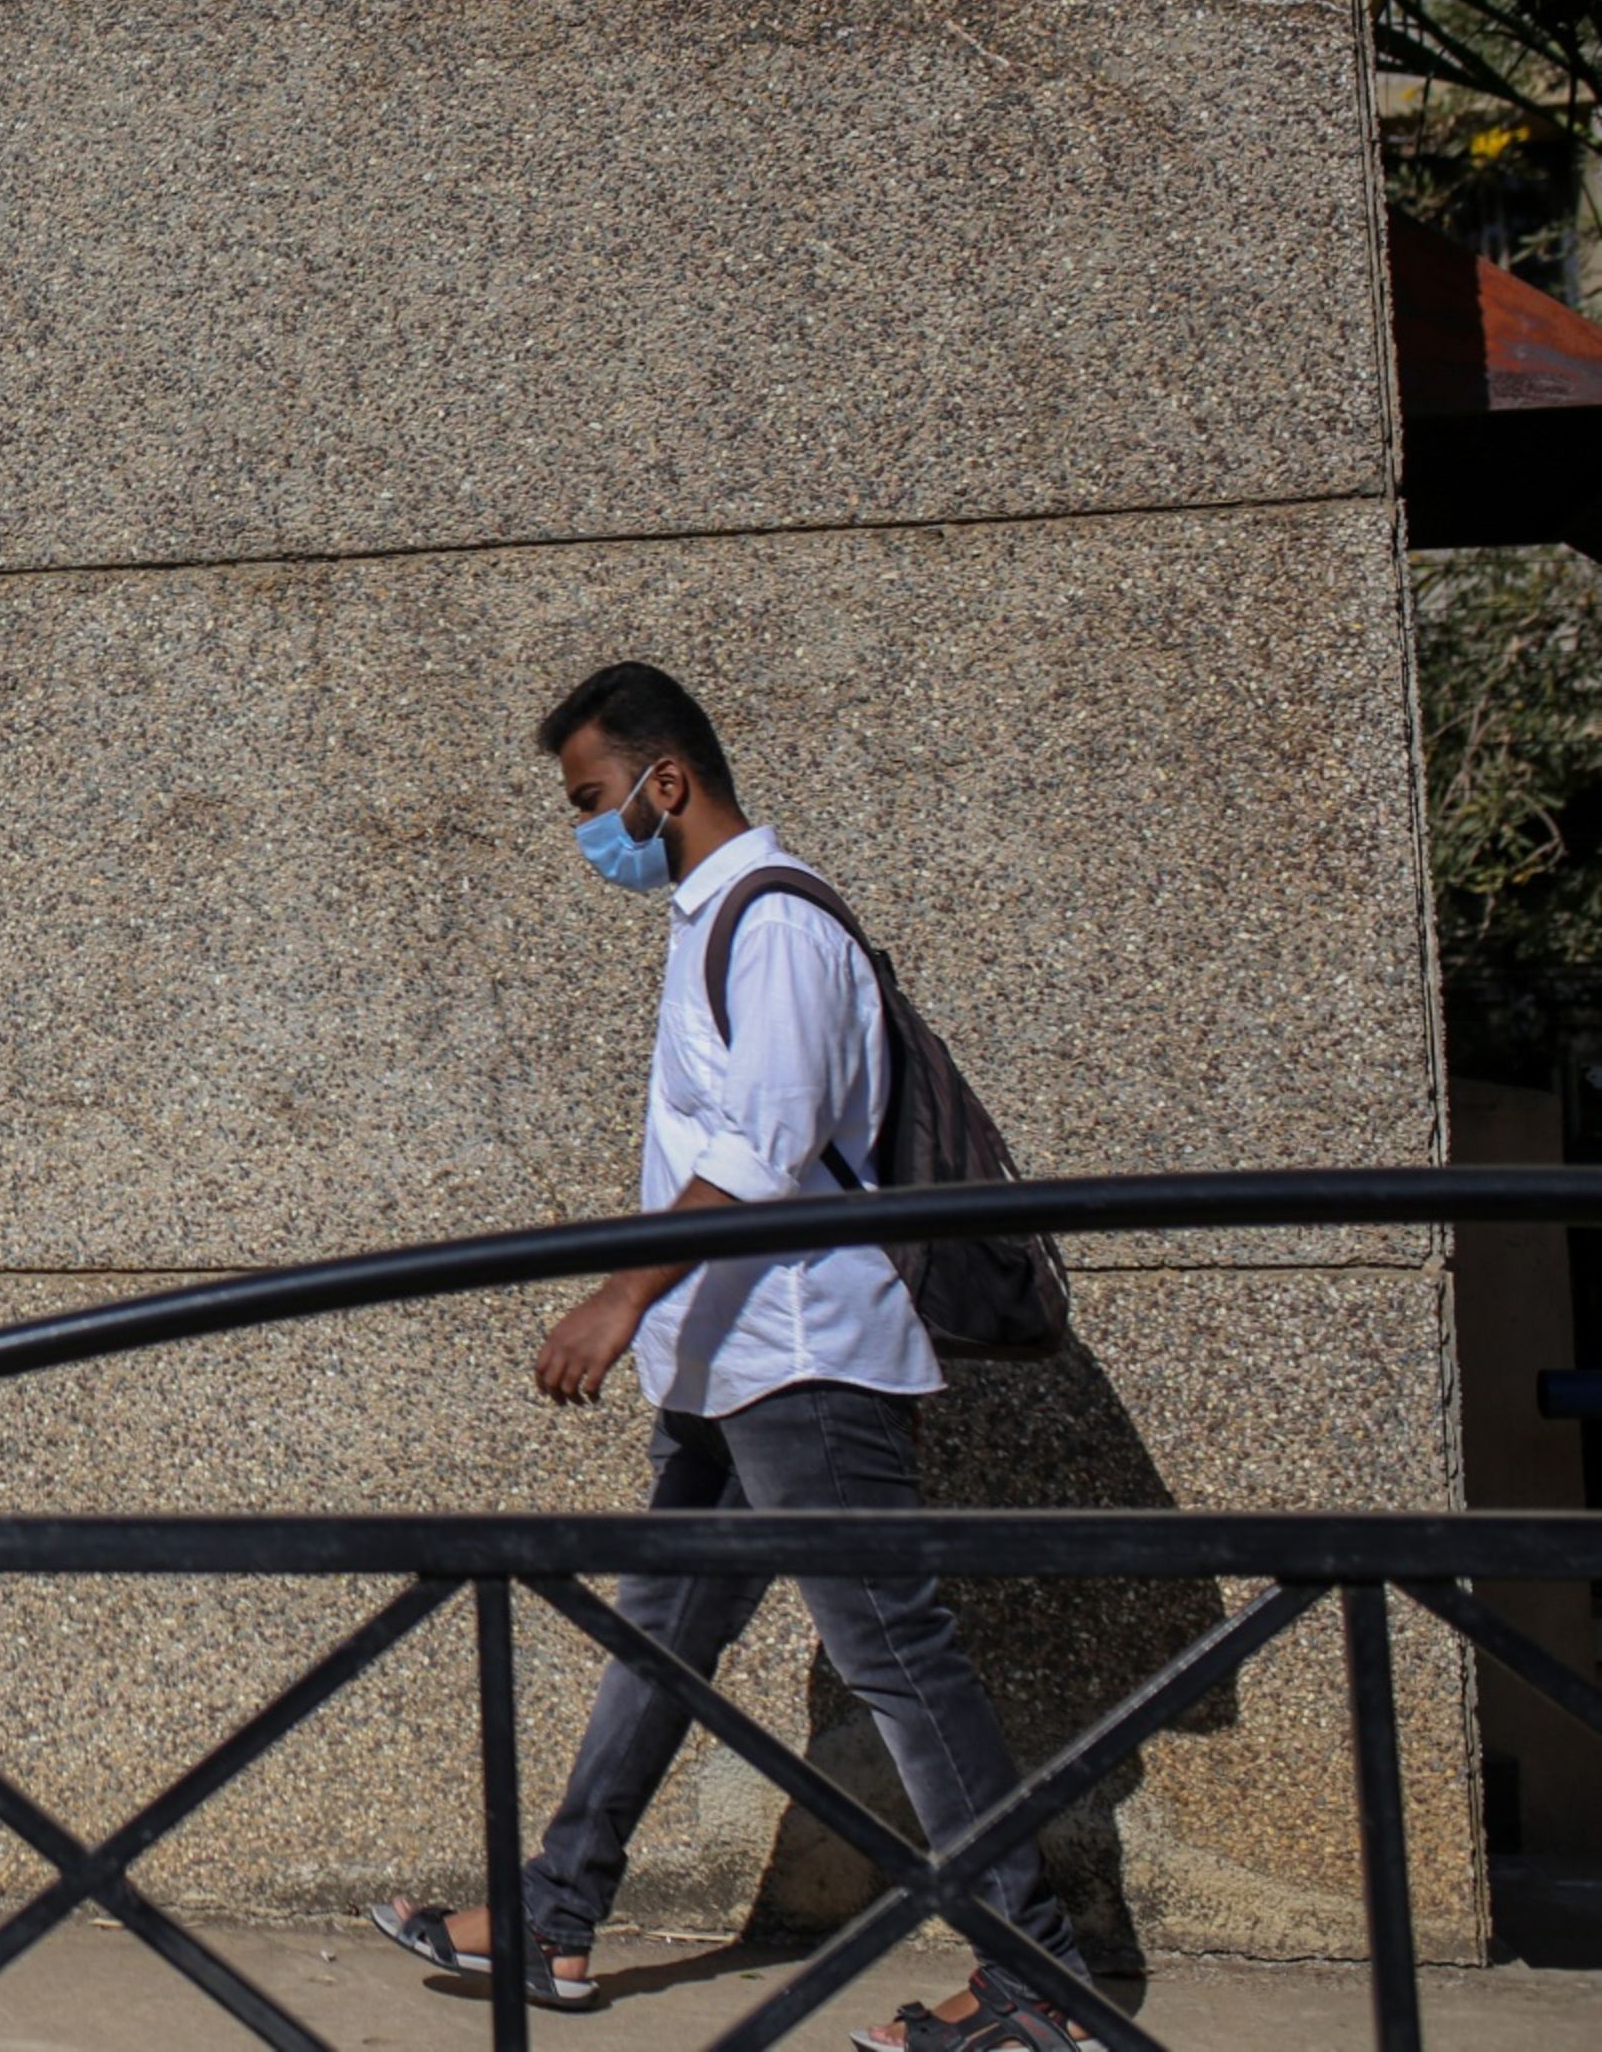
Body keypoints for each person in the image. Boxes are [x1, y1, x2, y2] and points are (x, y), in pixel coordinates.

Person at [366, 662, 1092, 2052]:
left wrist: (617, 1300)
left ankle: (1035, 1978)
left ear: (667, 780)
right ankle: (556, 1913)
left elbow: (763, 1152)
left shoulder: (776, 923)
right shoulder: (714, 920)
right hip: (731, 1357)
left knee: (896, 1655)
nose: (589, 830)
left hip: (806, 1359)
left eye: (592, 798)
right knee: (659, 1641)